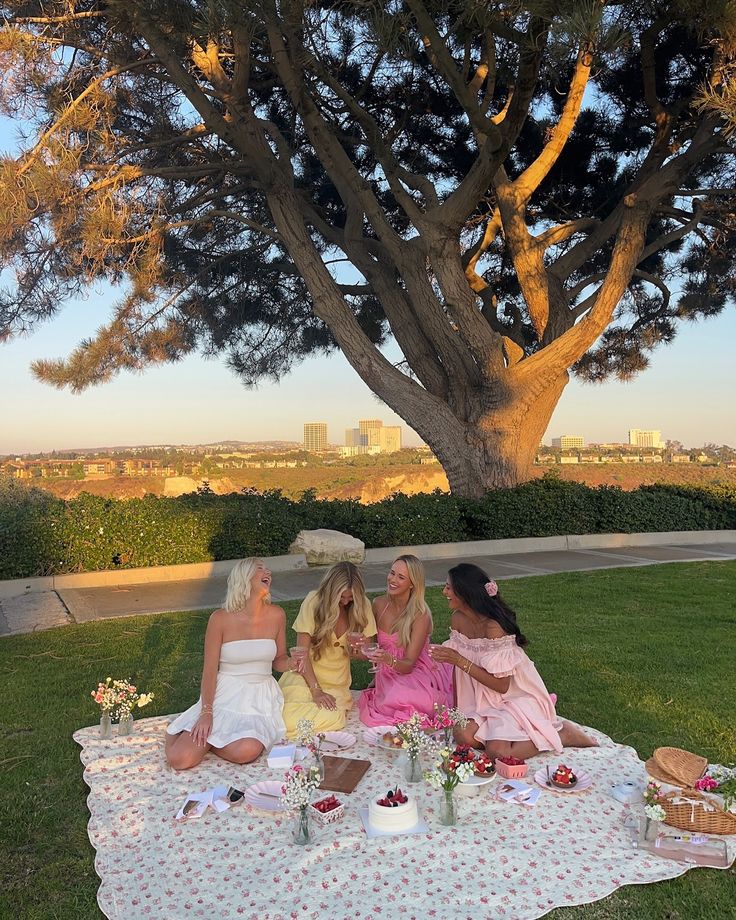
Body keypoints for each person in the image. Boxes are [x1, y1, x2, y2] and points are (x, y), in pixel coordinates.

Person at [429, 563, 597, 760]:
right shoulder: (458, 619)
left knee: (497, 752)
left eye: (449, 587)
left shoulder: (494, 627)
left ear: (465, 592)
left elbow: (502, 686)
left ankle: (563, 734)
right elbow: (458, 673)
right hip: (479, 699)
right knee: (463, 735)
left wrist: (458, 660)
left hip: (512, 697)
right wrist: (459, 711)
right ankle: (504, 735)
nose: (444, 592)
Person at [165, 558, 297, 770]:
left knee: (247, 751)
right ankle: (186, 732)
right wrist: (207, 712)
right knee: (180, 760)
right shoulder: (220, 618)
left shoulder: (277, 615)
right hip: (225, 692)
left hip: (259, 696)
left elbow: (278, 660)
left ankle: (211, 742)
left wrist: (291, 663)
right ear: (244, 578)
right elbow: (209, 669)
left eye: (267, 569)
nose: (268, 572)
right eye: (260, 568)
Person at [279, 562, 376, 736]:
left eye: (350, 597)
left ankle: (289, 731)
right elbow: (301, 653)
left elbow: (365, 655)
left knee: (335, 718)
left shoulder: (363, 606)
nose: (346, 601)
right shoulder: (313, 601)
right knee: (285, 714)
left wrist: (358, 649)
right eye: (341, 597)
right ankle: (289, 727)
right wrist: (316, 690)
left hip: (335, 683)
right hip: (303, 676)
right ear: (331, 591)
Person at [358, 554, 452, 726]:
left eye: (401, 577)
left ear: (412, 584)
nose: (392, 579)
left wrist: (387, 658)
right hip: (386, 672)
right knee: (394, 700)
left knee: (406, 701)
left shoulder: (420, 614)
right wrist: (358, 645)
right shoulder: (378, 604)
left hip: (412, 670)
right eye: (392, 573)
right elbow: (370, 647)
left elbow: (408, 665)